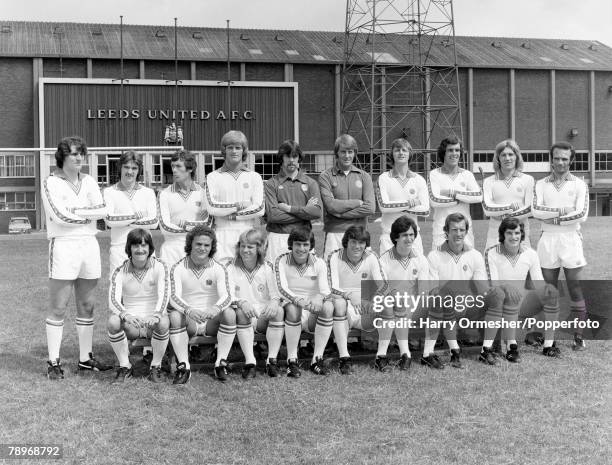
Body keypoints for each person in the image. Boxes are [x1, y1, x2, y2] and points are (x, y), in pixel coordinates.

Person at [41, 136, 111, 379]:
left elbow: (102, 211)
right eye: (73, 154)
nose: (79, 157)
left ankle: (85, 359)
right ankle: (53, 361)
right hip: (63, 246)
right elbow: (59, 216)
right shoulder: (51, 182)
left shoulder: (90, 181)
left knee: (87, 305)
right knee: (59, 307)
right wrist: (88, 215)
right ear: (62, 157)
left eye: (81, 153)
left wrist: (79, 213)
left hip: (89, 245)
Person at [532, 141, 589, 351]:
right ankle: (549, 337)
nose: (560, 162)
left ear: (571, 160)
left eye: (565, 158)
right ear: (551, 159)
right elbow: (536, 211)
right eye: (556, 158)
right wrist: (561, 213)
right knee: (550, 290)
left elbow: (581, 214)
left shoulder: (579, 184)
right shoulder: (540, 184)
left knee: (574, 287)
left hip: (571, 239)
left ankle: (579, 336)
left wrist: (552, 217)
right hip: (548, 240)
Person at [481, 218, 560, 364]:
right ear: (502, 234)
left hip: (520, 303)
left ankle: (548, 345)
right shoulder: (491, 252)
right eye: (509, 233)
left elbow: (538, 282)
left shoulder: (530, 253)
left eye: (517, 233)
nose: (513, 237)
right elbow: (493, 285)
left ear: (522, 234)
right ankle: (511, 347)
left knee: (550, 294)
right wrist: (506, 287)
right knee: (506, 294)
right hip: (498, 302)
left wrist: (548, 289)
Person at [168, 226, 234, 383]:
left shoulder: (219, 267)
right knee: (176, 316)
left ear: (212, 247)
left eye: (207, 245)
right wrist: (189, 310)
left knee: (229, 313)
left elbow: (227, 295)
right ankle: (184, 366)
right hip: (189, 319)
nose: (202, 248)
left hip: (211, 320)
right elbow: (173, 296)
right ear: (190, 244)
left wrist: (215, 308)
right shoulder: (177, 267)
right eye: (198, 244)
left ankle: (220, 364)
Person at [422, 213, 487, 369]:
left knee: (495, 297)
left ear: (466, 231)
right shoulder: (434, 255)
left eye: (462, 230)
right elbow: (432, 290)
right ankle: (429, 353)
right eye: (454, 230)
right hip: (442, 307)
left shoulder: (475, 255)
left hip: (467, 305)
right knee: (440, 298)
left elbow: (482, 288)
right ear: (446, 231)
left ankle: (488, 350)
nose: (458, 234)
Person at [107, 229, 170, 382]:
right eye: (135, 245)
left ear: (150, 248)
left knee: (163, 322)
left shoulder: (160, 266)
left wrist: (155, 314)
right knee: (113, 322)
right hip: (132, 323)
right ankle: (125, 366)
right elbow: (113, 300)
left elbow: (164, 294)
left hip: (152, 321)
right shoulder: (120, 270)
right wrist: (126, 315)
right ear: (129, 248)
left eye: (144, 245)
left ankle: (156, 366)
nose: (140, 249)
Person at [275, 227, 336, 377]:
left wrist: (319, 297)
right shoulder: (281, 260)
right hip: (292, 306)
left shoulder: (319, 262)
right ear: (291, 244)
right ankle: (292, 360)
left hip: (312, 309)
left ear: (311, 246)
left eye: (305, 245)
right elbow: (281, 288)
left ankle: (316, 360)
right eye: (297, 244)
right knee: (293, 308)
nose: (301, 249)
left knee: (328, 307)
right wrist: (298, 300)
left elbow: (326, 289)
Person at [327, 226, 387, 374]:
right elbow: (330, 286)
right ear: (346, 242)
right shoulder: (334, 256)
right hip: (345, 303)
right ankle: (344, 358)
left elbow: (384, 285)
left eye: (361, 243)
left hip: (366, 306)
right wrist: (349, 296)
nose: (357, 246)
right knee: (339, 305)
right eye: (353, 242)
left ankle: (381, 357)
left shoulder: (371, 256)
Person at [227, 229, 285, 378]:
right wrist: (241, 302)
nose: (245, 250)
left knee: (278, 311)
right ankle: (250, 362)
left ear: (259, 248)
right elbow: (227, 295)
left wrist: (274, 302)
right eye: (242, 246)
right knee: (240, 312)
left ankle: (271, 361)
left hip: (263, 316)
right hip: (242, 315)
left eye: (250, 247)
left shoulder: (268, 267)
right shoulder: (230, 267)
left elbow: (276, 293)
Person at [376, 216, 431, 372]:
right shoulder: (383, 260)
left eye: (412, 235)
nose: (409, 238)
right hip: (389, 305)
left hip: (411, 305)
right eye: (405, 235)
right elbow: (382, 289)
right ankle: (397, 355)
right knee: (393, 303)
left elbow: (424, 290)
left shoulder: (420, 259)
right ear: (396, 237)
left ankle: (404, 355)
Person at [204, 130, 265, 261]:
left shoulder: (254, 176)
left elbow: (259, 209)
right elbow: (212, 207)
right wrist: (239, 206)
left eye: (238, 147)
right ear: (224, 150)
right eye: (230, 147)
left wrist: (233, 216)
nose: (234, 151)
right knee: (223, 277)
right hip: (221, 234)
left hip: (248, 233)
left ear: (244, 151)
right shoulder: (213, 177)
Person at [264, 140, 322, 262]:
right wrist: (305, 212)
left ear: (299, 158)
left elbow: (317, 213)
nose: (291, 160)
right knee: (276, 278)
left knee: (304, 279)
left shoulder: (311, 183)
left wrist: (289, 209)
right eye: (287, 156)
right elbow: (273, 216)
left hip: (303, 238)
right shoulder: (271, 184)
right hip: (277, 237)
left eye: (294, 156)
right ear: (282, 158)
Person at [318, 134, 375, 258]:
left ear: (355, 153)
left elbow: (370, 208)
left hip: (360, 234)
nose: (347, 155)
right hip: (334, 234)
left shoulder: (364, 176)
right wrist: (357, 203)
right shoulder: (325, 176)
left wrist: (340, 214)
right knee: (332, 274)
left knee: (361, 275)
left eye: (350, 152)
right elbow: (331, 206)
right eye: (343, 152)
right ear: (337, 154)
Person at [104, 151, 158, 274]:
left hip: (145, 248)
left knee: (148, 291)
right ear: (120, 167)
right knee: (119, 290)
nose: (130, 172)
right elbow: (109, 220)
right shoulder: (109, 192)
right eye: (126, 167)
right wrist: (135, 217)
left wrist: (124, 222)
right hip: (119, 249)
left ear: (139, 170)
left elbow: (154, 222)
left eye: (134, 168)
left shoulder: (148, 192)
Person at [376, 138, 429, 255]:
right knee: (388, 273)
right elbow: (384, 207)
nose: (401, 153)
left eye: (404, 150)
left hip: (413, 238)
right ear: (392, 154)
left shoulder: (419, 179)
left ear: (409, 154)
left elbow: (426, 211)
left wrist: (394, 206)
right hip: (389, 237)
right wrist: (409, 203)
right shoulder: (383, 178)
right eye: (397, 150)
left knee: (417, 273)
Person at [428, 136, 482, 249]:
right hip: (442, 230)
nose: (454, 153)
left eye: (457, 150)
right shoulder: (434, 174)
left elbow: (478, 196)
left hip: (464, 231)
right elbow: (435, 201)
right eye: (450, 150)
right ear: (444, 153)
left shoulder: (467, 175)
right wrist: (461, 199)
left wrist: (452, 193)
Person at [157, 149, 208, 266]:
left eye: (178, 166)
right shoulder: (164, 194)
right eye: (172, 166)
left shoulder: (203, 193)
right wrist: (195, 223)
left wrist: (180, 222)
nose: (174, 170)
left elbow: (207, 226)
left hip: (196, 249)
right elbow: (164, 227)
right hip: (171, 250)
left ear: (190, 168)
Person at [482, 139, 534, 250]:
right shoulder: (488, 181)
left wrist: (503, 216)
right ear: (498, 158)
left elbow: (529, 208)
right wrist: (510, 208)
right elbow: (487, 209)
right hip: (495, 234)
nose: (507, 158)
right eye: (503, 155)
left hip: (520, 234)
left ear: (517, 157)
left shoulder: (527, 179)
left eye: (511, 154)